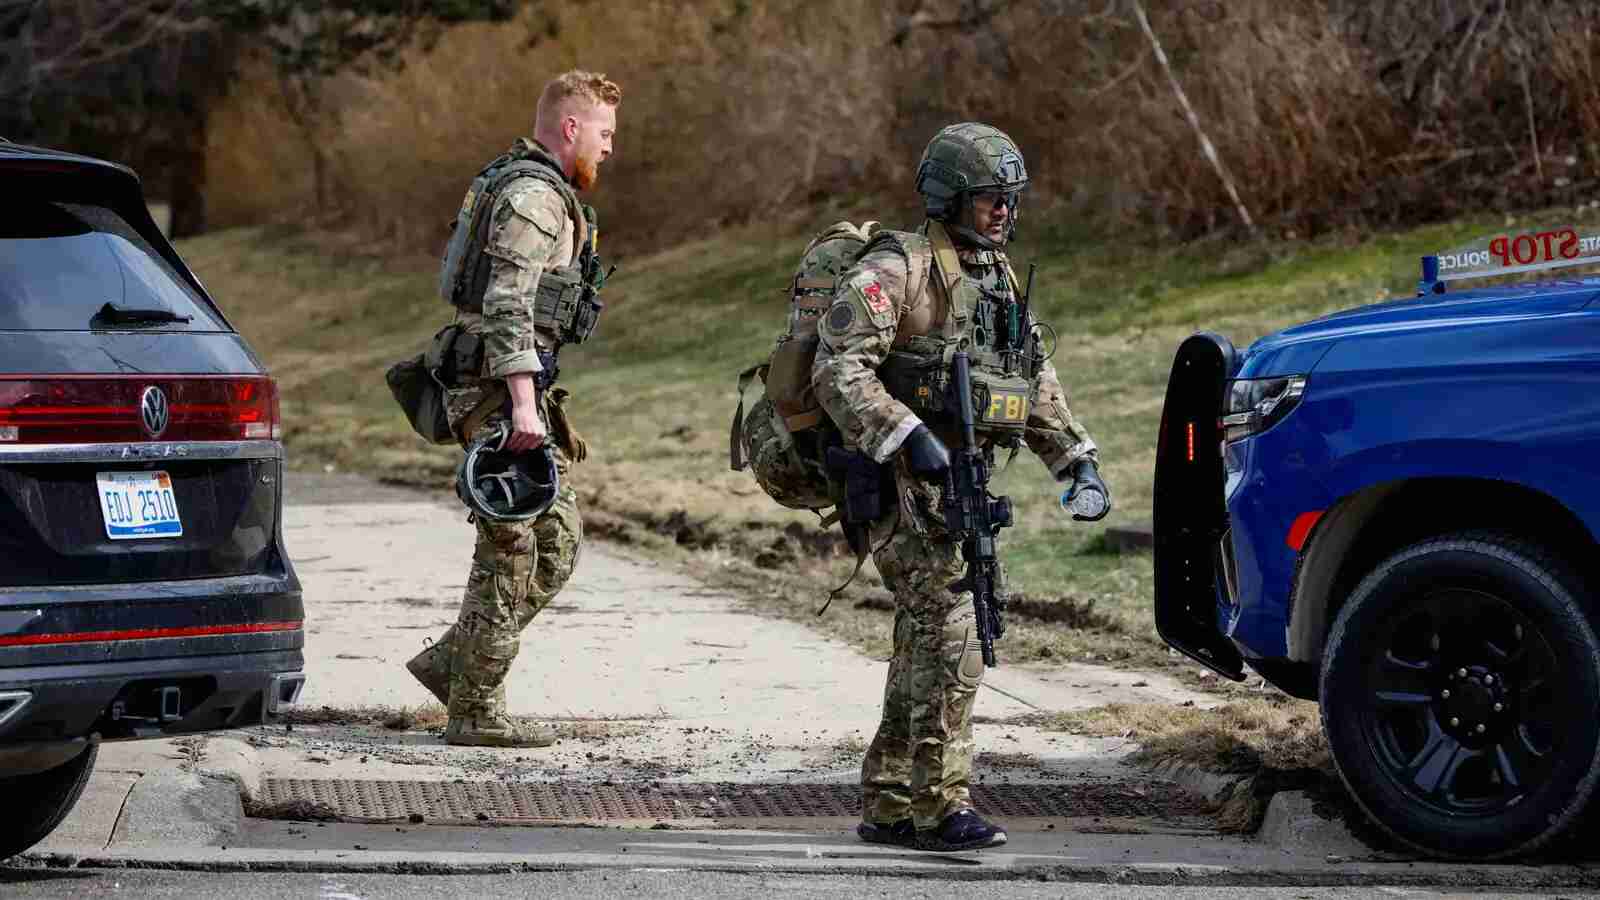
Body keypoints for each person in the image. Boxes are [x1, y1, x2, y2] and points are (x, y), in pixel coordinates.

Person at [811, 122, 1110, 851]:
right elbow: (836, 367)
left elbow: (1029, 376)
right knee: (954, 632)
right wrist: (906, 433)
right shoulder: (898, 269)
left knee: (928, 635)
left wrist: (1075, 461)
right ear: (950, 198)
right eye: (988, 199)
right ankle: (941, 807)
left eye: (1010, 199)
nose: (1004, 212)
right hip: (895, 483)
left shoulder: (995, 275)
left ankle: (888, 803)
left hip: (957, 486)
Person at [405, 69, 619, 748]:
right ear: (570, 127)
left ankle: (457, 665)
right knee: (514, 542)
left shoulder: (549, 194)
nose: (610, 148)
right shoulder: (533, 199)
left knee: (555, 544)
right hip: (497, 390)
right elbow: (506, 303)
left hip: (508, 386)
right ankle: (475, 708)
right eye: (605, 133)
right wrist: (524, 406)